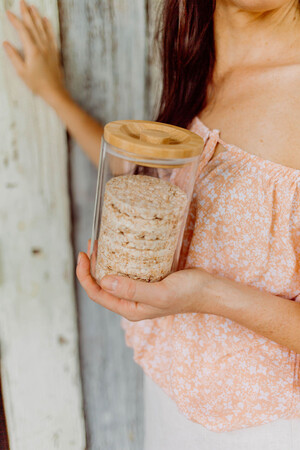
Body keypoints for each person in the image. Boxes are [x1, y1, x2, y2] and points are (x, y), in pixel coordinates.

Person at [4, 0, 300, 448]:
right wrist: (55, 95)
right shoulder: (203, 56)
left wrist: (205, 294)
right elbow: (154, 190)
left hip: (264, 424)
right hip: (171, 397)